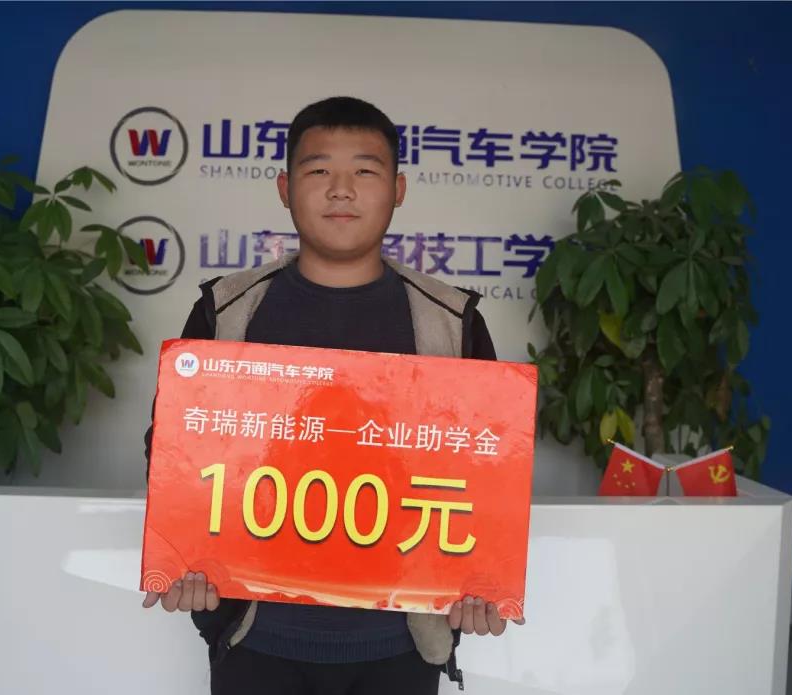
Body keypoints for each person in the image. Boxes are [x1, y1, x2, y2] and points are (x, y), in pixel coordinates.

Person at [142, 96, 521, 695]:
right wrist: (185, 560)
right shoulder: (227, 309)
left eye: (365, 171)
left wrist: (480, 584)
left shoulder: (450, 321)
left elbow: (486, 471)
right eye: (318, 170)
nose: (341, 189)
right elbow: (174, 454)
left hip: (400, 647)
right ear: (284, 188)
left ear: (397, 190)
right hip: (257, 640)